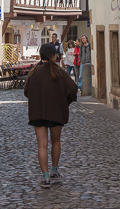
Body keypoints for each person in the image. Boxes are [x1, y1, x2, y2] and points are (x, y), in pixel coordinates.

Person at [24, 43, 77, 189]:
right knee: (56, 141)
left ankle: (46, 178)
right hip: (56, 113)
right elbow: (73, 89)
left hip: (38, 112)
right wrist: (64, 103)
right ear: (53, 55)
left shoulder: (34, 71)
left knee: (42, 145)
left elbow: (26, 91)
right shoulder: (59, 71)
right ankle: (54, 171)